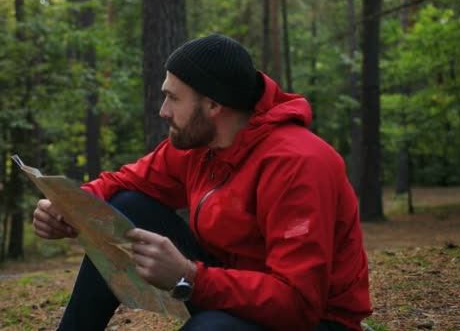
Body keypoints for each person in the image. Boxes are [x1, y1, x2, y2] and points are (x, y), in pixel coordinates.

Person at [32, 34, 372, 330]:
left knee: (212, 327)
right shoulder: (201, 147)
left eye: (174, 98)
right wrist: (66, 208)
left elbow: (298, 304)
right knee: (125, 202)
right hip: (232, 286)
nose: (163, 111)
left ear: (213, 104)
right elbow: (123, 182)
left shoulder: (298, 164)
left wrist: (189, 275)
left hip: (312, 320)